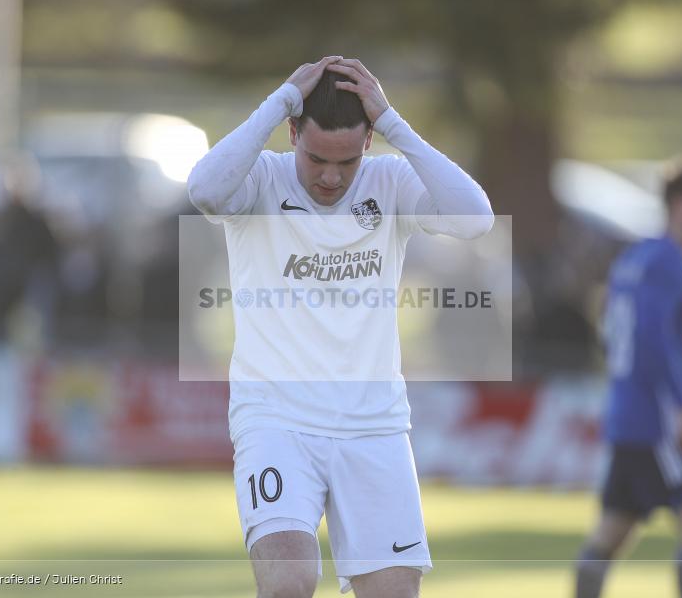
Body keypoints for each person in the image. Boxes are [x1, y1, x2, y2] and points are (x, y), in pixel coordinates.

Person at [188, 56, 494, 597]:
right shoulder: (260, 180)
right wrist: (280, 99)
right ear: (292, 133)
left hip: (374, 427)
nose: (330, 177)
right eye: (317, 159)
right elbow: (204, 190)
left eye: (346, 161)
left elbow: (475, 218)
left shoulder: (391, 181)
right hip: (276, 419)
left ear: (370, 142)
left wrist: (394, 121)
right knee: (290, 582)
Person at [574, 156, 682, 598]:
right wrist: (681, 408)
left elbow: (621, 330)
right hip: (657, 419)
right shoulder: (669, 263)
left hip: (627, 411)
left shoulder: (635, 258)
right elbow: (652, 339)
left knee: (613, 530)